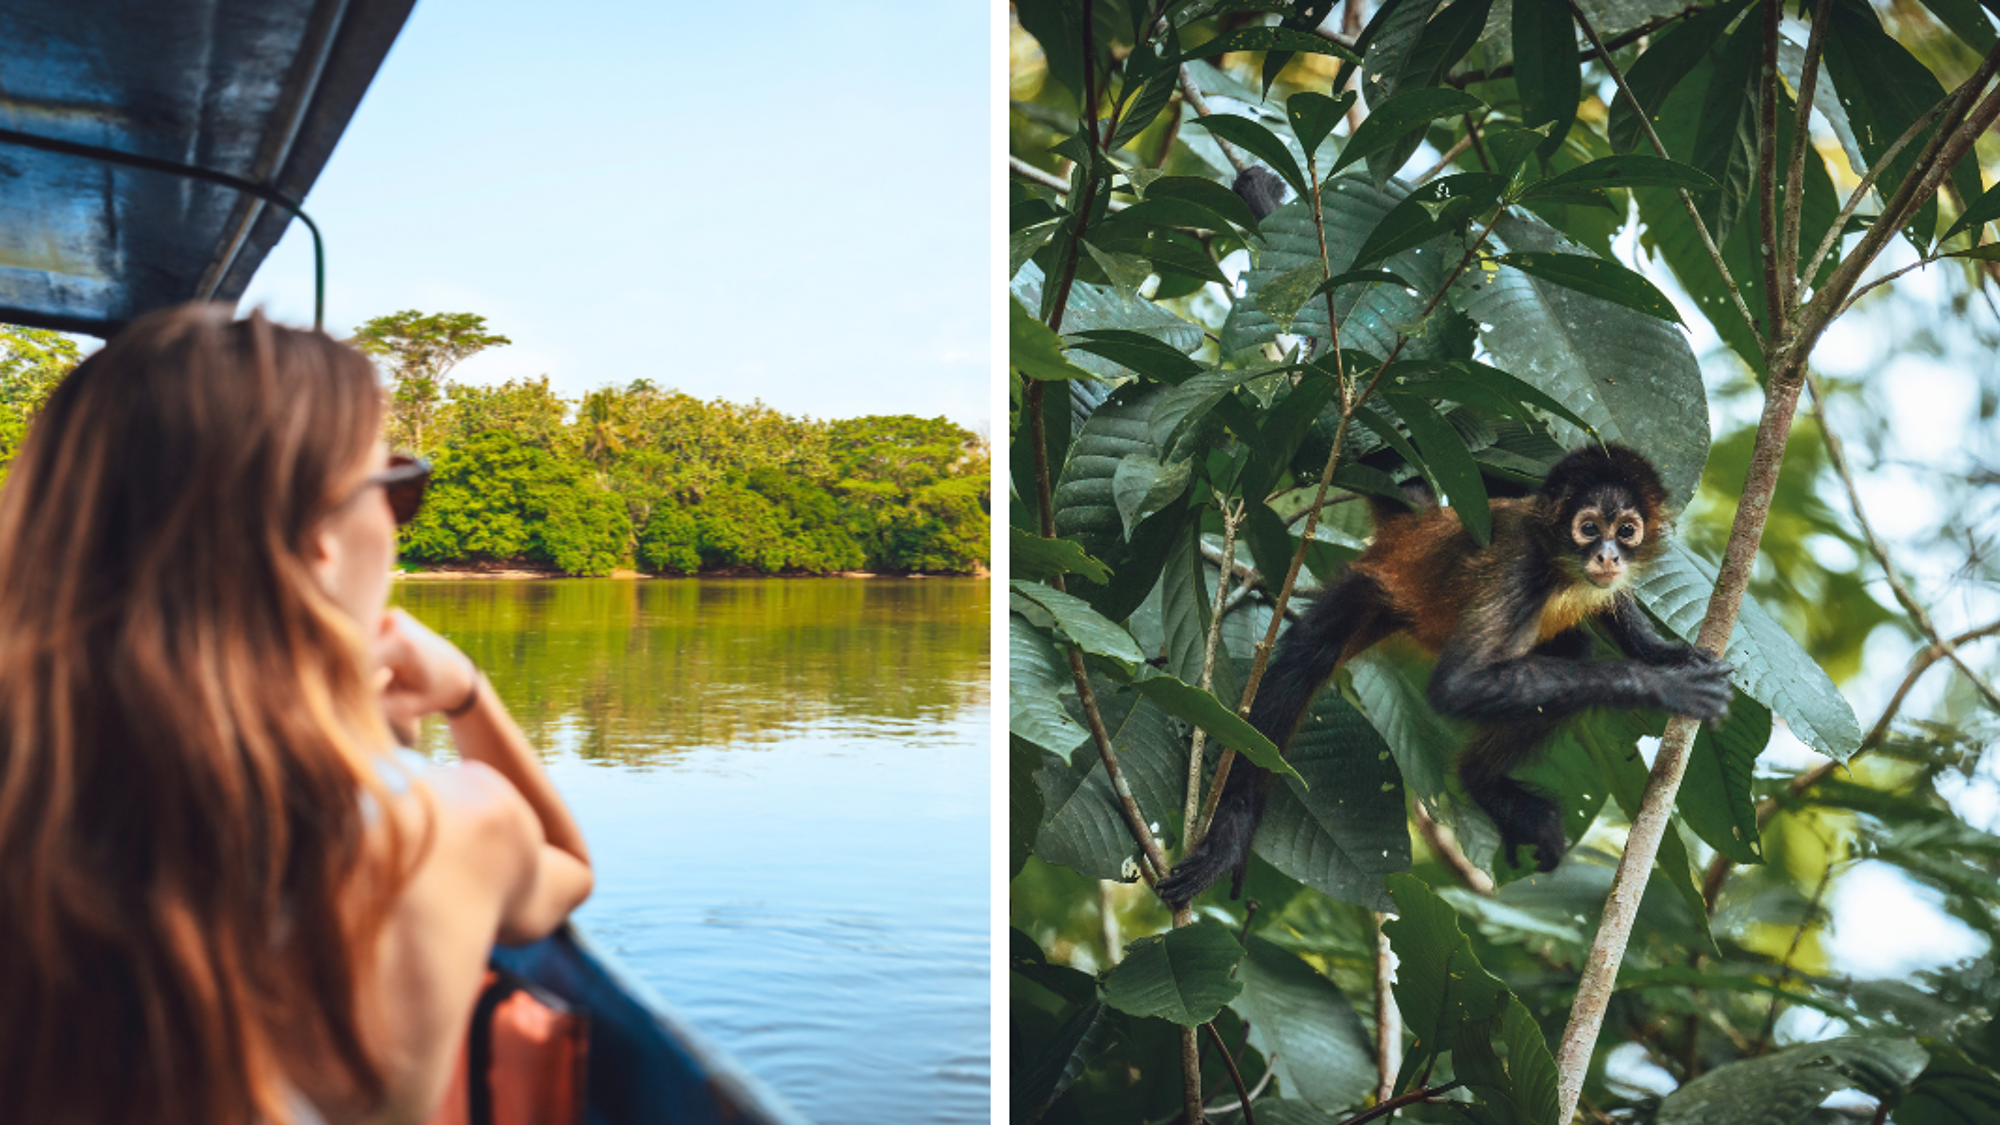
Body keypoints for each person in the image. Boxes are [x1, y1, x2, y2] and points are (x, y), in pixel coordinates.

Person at [0, 305, 594, 1125]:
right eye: (396, 488)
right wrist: (465, 691)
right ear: (320, 538)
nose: (396, 519)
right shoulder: (453, 828)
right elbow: (567, 867)